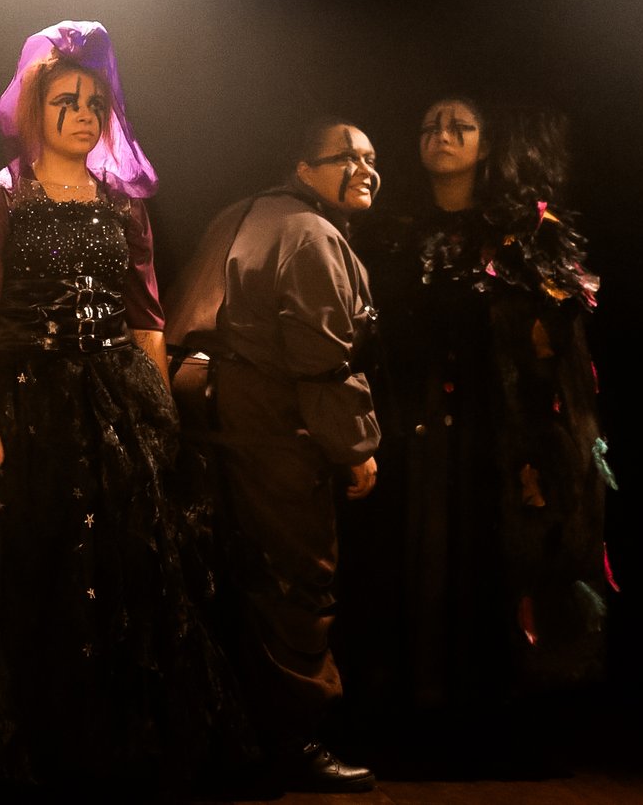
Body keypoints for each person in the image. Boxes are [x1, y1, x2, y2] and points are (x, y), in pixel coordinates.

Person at [0, 20, 252, 794]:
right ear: (35, 109)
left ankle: (113, 747)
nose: (84, 114)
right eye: (67, 101)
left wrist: (160, 416)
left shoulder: (124, 206)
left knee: (124, 575)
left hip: (113, 405)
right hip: (25, 406)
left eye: (95, 102)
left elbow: (147, 320)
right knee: (26, 574)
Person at [344, 98, 612, 772]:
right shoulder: (392, 233)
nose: (441, 136)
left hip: (494, 433)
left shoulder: (524, 236)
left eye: (459, 127)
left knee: (488, 554)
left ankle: (491, 720)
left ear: (485, 145)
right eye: (430, 126)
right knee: (416, 553)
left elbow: (554, 351)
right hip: (414, 428)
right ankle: (415, 715)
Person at [198, 116, 382, 793]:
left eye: (372, 157)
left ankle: (241, 741)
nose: (365, 169)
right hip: (275, 435)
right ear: (304, 169)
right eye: (346, 157)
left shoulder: (238, 215)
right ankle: (293, 744)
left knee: (236, 584)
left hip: (215, 428)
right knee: (297, 586)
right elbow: (321, 359)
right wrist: (356, 447)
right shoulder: (310, 233)